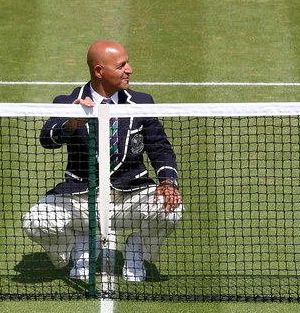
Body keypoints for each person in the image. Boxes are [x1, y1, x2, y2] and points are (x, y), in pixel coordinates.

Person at [22, 40, 183, 281]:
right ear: (99, 71)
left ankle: (137, 250)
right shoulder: (68, 102)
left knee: (172, 208)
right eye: (121, 65)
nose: (130, 69)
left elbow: (160, 148)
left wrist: (168, 182)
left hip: (130, 195)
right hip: (82, 199)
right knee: (35, 222)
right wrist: (72, 123)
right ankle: (77, 247)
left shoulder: (141, 102)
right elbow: (48, 139)